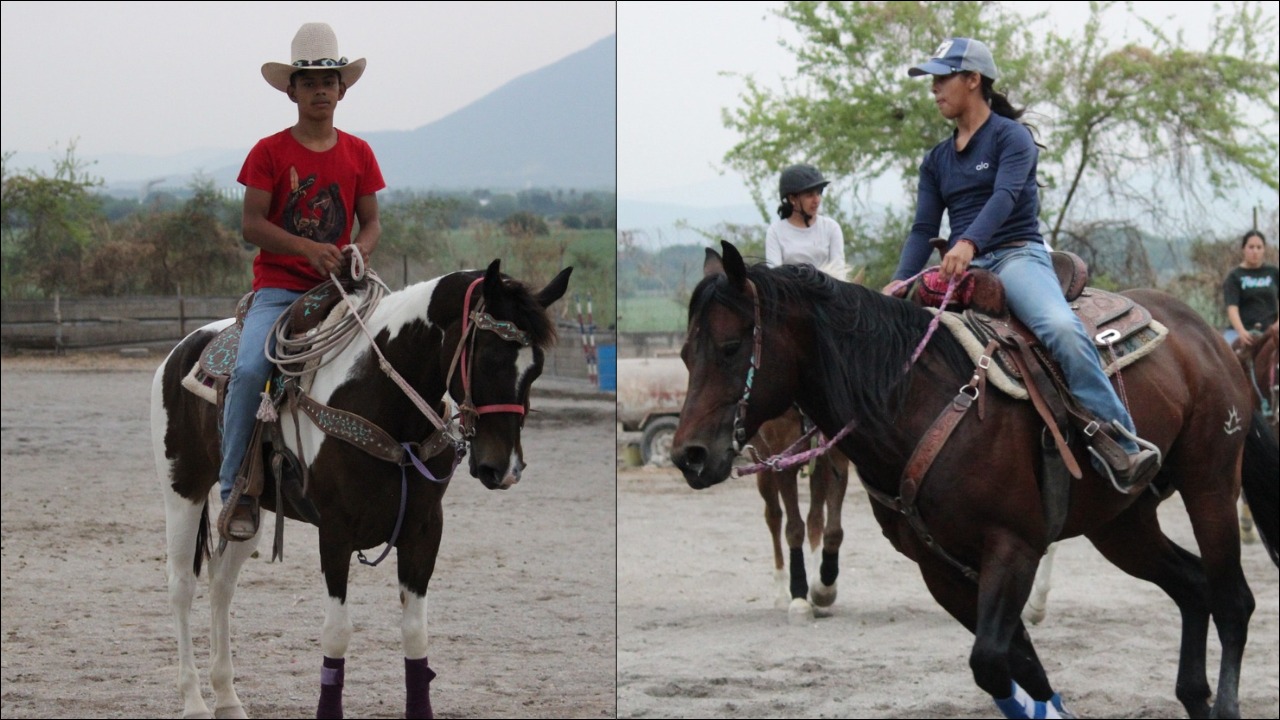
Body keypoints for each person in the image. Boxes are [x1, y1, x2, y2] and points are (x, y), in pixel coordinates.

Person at [887, 37, 1159, 493]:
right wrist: (898, 281)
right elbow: (921, 230)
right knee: (902, 340)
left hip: (1014, 255)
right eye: (932, 80)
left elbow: (1005, 196)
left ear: (973, 80)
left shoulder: (1011, 138)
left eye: (942, 78)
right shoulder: (935, 159)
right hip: (961, 268)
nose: (934, 89)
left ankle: (1123, 443)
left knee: (1061, 329)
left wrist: (969, 241)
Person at [218, 22, 385, 541]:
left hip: (342, 289)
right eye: (309, 81)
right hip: (281, 289)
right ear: (291, 90)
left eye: (329, 81)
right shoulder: (268, 153)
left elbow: (372, 222)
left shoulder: (359, 152)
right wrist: (308, 249)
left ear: (341, 89)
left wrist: (358, 250)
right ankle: (236, 489)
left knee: (398, 354)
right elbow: (252, 225)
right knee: (248, 371)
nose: (320, 90)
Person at [765, 164, 845, 270]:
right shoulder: (775, 231)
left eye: (818, 193)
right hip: (788, 286)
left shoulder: (831, 228)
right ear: (792, 198)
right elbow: (774, 275)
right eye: (809, 195)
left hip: (827, 286)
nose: (816, 200)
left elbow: (839, 271)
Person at [1223, 230, 1278, 347]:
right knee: (1222, 355)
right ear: (1243, 249)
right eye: (1251, 247)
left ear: (1264, 249)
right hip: (1241, 331)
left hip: (1271, 330)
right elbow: (1232, 308)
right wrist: (1241, 331)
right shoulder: (1234, 276)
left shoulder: (1273, 272)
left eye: (1259, 247)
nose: (1255, 251)